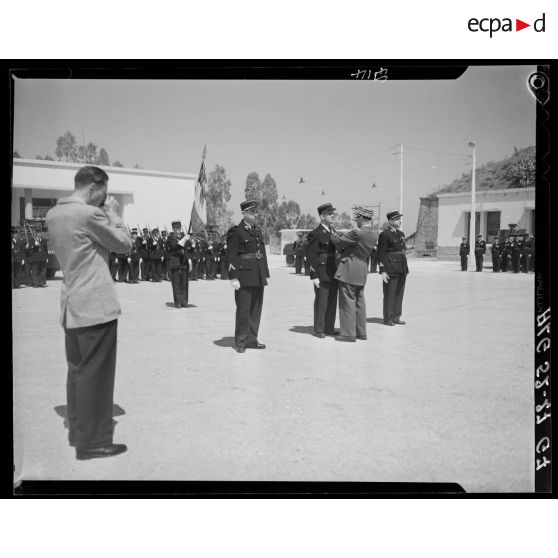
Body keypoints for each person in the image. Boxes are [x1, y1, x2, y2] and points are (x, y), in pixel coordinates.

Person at [45, 165, 132, 460]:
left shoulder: (54, 213)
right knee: (97, 374)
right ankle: (94, 443)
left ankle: (78, 431)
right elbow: (124, 245)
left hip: (72, 303)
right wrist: (114, 214)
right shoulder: (88, 214)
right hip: (95, 303)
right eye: (104, 193)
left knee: (79, 371)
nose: (104, 199)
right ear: (94, 188)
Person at [226, 200, 269, 353]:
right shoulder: (236, 231)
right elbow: (231, 255)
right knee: (244, 310)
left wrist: (265, 272)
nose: (255, 214)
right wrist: (233, 277)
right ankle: (241, 341)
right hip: (244, 275)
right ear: (244, 213)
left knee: (256, 309)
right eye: (251, 211)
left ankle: (252, 339)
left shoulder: (257, 230)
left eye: (256, 211)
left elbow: (261, 253)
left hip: (257, 274)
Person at [330, 207, 378, 341]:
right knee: (359, 302)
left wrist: (333, 234)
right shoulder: (374, 234)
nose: (356, 220)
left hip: (350, 268)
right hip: (362, 269)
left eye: (357, 218)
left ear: (362, 218)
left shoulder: (357, 233)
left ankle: (347, 334)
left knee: (347, 301)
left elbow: (338, 243)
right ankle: (361, 332)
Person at [306, 203, 339, 338]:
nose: (333, 215)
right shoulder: (316, 233)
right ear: (322, 216)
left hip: (334, 270)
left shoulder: (334, 232)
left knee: (332, 300)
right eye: (330, 213)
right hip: (322, 270)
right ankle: (319, 329)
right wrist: (314, 275)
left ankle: (329, 327)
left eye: (333, 213)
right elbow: (311, 255)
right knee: (322, 301)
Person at [377, 210, 409, 326]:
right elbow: (381, 253)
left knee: (399, 294)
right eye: (396, 219)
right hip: (390, 267)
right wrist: (383, 270)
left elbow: (402, 251)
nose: (399, 220)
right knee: (390, 294)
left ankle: (396, 316)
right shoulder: (385, 234)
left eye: (400, 218)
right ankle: (388, 318)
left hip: (401, 267)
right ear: (390, 221)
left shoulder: (401, 234)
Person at [165, 221, 189, 307]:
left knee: (184, 283)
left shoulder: (185, 237)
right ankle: (178, 302)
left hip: (184, 263)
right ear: (173, 229)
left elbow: (188, 249)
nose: (177, 230)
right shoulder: (170, 239)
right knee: (176, 284)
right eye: (175, 228)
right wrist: (184, 240)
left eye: (179, 228)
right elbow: (174, 246)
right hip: (175, 263)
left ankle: (184, 301)